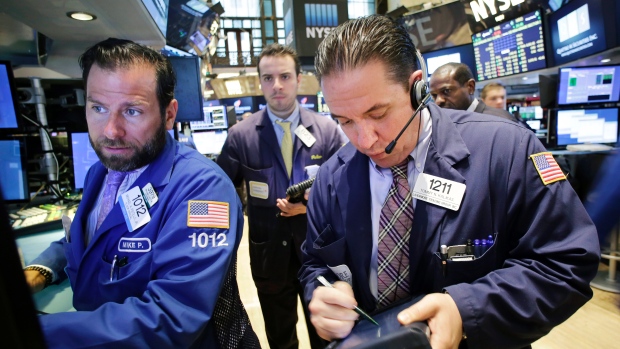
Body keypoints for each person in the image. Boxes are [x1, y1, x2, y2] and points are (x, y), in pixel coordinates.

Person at [300, 15, 599, 349]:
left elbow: (565, 260)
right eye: (345, 121)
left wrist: (468, 310)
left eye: (378, 114)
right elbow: (315, 264)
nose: (365, 140)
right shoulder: (331, 177)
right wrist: (323, 292)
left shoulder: (506, 150)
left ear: (417, 88)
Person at [23, 38, 259, 348]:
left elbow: (171, 318)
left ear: (169, 114)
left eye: (132, 111)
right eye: (98, 108)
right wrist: (41, 269)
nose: (111, 130)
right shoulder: (104, 170)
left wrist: (32, 331)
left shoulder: (203, 190)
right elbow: (89, 238)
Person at [217, 43, 345, 349]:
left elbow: (346, 191)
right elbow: (222, 189)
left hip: (318, 252)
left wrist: (311, 207)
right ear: (260, 81)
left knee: (327, 336)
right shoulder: (241, 135)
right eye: (268, 78)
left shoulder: (327, 131)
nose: (277, 86)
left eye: (285, 76)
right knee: (279, 338)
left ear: (299, 79)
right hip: (268, 256)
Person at [429, 63, 517, 122]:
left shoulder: (500, 120)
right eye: (434, 95)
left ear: (470, 87)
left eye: (446, 91)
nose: (438, 101)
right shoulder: (443, 123)